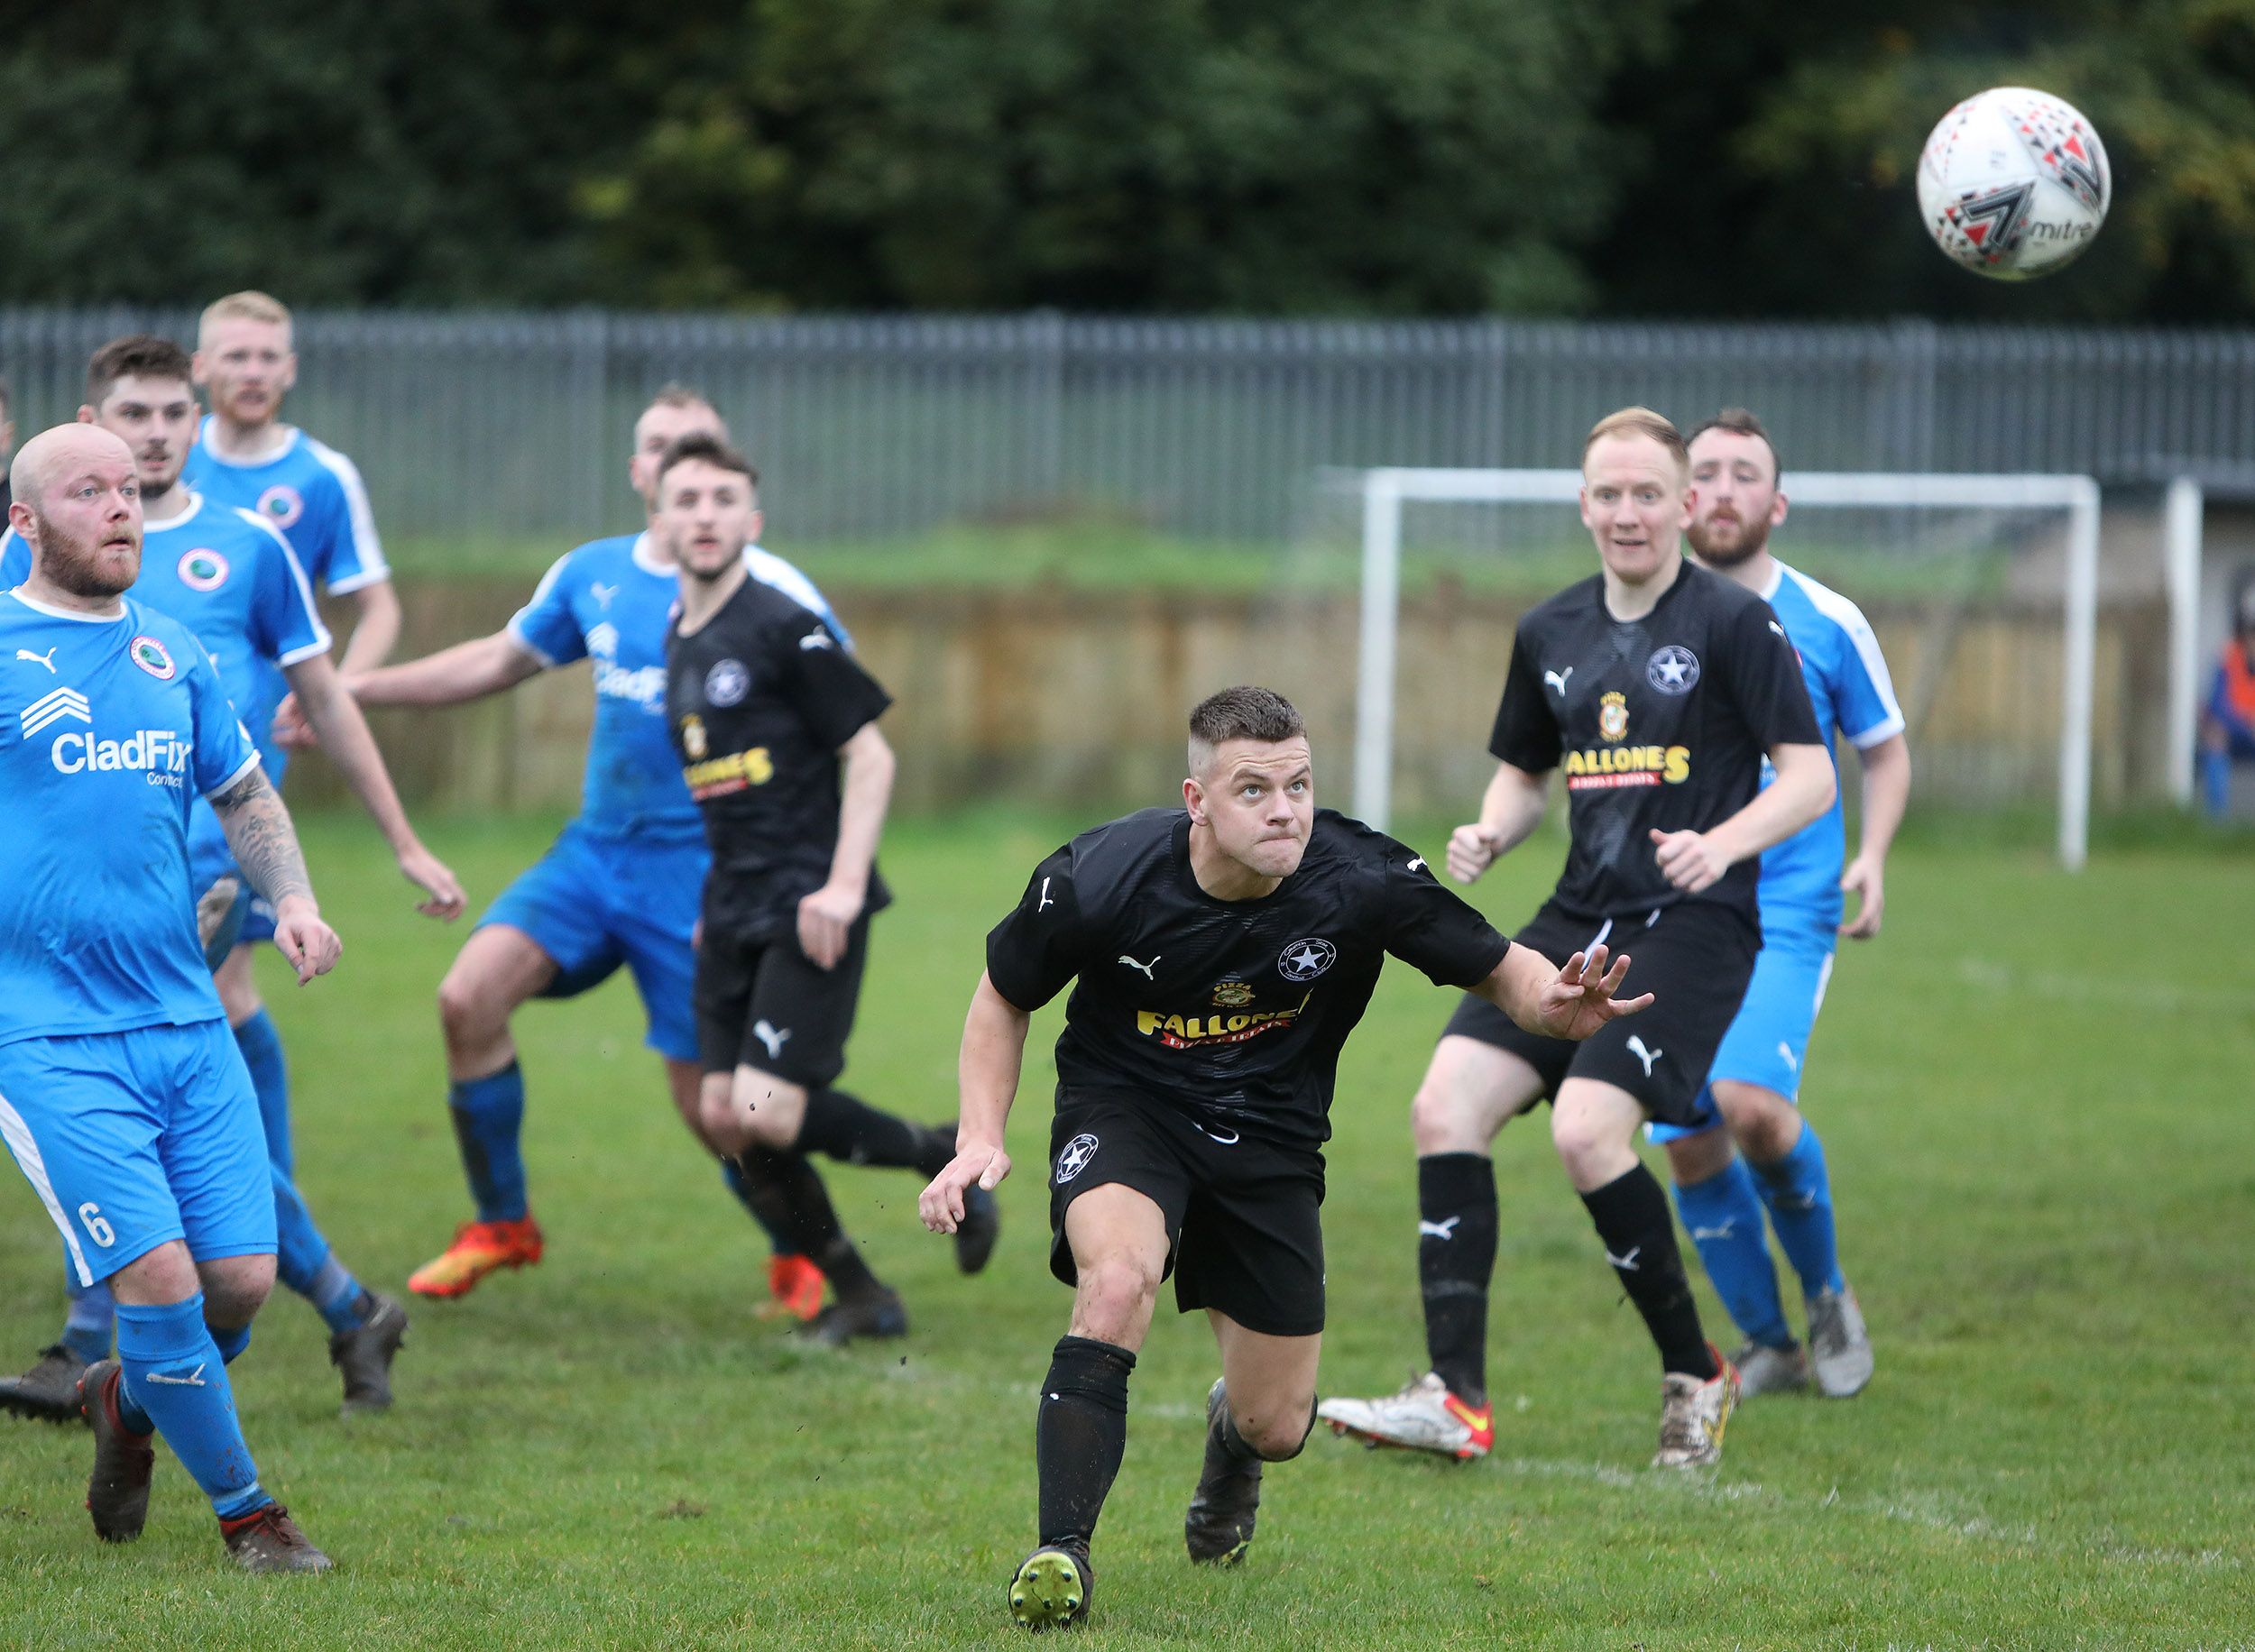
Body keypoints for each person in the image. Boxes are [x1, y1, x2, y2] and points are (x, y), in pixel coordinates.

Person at [917, 685, 1648, 1630]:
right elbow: (1001, 995)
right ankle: (1063, 1551)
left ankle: (1233, 1434)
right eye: (1253, 789)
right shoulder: (1097, 877)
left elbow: (1502, 967)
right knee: (1116, 1280)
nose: (1284, 810)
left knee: (1278, 1424)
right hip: (1128, 1106)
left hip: (1271, 1139)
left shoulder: (1361, 875)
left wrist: (1553, 1005)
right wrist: (980, 1135)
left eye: (1298, 784)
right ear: (1197, 799)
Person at [1317, 407, 1836, 1469]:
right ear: (1582, 504)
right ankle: (1454, 1398)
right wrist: (1488, 830)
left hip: (1694, 925)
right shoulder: (1548, 629)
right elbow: (1524, 775)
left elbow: (1814, 774)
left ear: (1686, 503)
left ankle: (1698, 1369)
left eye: (1649, 492)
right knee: (1441, 1103)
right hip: (1574, 914)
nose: (1628, 512)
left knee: (1587, 1130)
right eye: (1608, 493)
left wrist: (1722, 843)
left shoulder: (1736, 621)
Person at [0, 337, 463, 1424]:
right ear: (89, 422)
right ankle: (333, 1306)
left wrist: (397, 838)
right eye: (131, 417)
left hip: (209, 867)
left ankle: (122, 1344)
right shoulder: (40, 554)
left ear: (197, 419)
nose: (154, 436)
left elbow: (326, 698)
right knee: (148, 1114)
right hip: (77, 884)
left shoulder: (245, 546)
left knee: (139, 1098)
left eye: (172, 415)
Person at [320, 388, 853, 1314]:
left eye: (699, 453)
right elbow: (497, 660)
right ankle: (502, 1222)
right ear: (642, 473)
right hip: (593, 855)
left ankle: (802, 1252)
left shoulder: (776, 594)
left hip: (706, 876)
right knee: (466, 996)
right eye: (659, 449)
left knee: (715, 1106)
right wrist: (352, 687)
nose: (678, 466)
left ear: (725, 480)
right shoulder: (593, 572)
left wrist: (798, 874)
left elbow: (843, 730)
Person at [0, 422, 341, 1570]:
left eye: (131, 490)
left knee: (238, 1286)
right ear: (26, 522)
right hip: (42, 1028)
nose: (120, 507)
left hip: (186, 1019)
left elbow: (244, 792)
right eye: (87, 490)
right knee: (158, 1278)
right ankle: (250, 1515)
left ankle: (124, 1406)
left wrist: (288, 898)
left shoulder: (173, 650)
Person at [660, 430, 996, 1345]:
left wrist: (843, 887)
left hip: (807, 903)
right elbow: (722, 790)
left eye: (723, 500)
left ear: (751, 520)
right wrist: (708, 906)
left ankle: (943, 1152)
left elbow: (870, 754)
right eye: (686, 499)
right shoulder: (678, 637)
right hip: (730, 906)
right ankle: (859, 1292)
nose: (704, 515)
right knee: (724, 1119)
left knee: (764, 1108)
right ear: (658, 518)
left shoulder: (782, 623)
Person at [1650, 408, 1910, 1398]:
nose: (1719, 488)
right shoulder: (1639, 618)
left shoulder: (1827, 618)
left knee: (1751, 1105)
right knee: (1685, 1130)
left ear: (1776, 502)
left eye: (1741, 474)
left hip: (1786, 903)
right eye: (1702, 472)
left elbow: (1880, 748)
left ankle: (1827, 1287)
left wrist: (1874, 854)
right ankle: (1770, 1341)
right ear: (1680, 496)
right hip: (1665, 906)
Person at [2197, 574, 2255, 820]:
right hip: (2238, 734)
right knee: (2215, 735)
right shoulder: (2228, 659)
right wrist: (2246, 726)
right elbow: (2218, 707)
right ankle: (2217, 821)